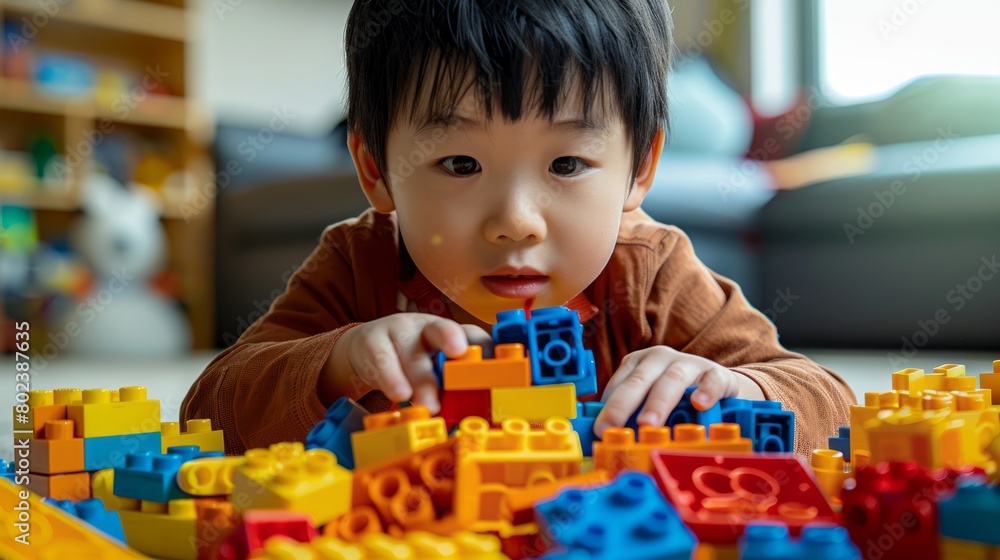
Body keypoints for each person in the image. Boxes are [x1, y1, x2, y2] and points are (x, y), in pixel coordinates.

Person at [181, 0, 855, 457]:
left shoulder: (650, 273)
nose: (515, 221)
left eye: (567, 162)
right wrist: (337, 364)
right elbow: (209, 413)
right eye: (460, 163)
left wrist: (739, 390)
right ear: (376, 169)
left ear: (638, 168)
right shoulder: (360, 265)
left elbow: (829, 400)